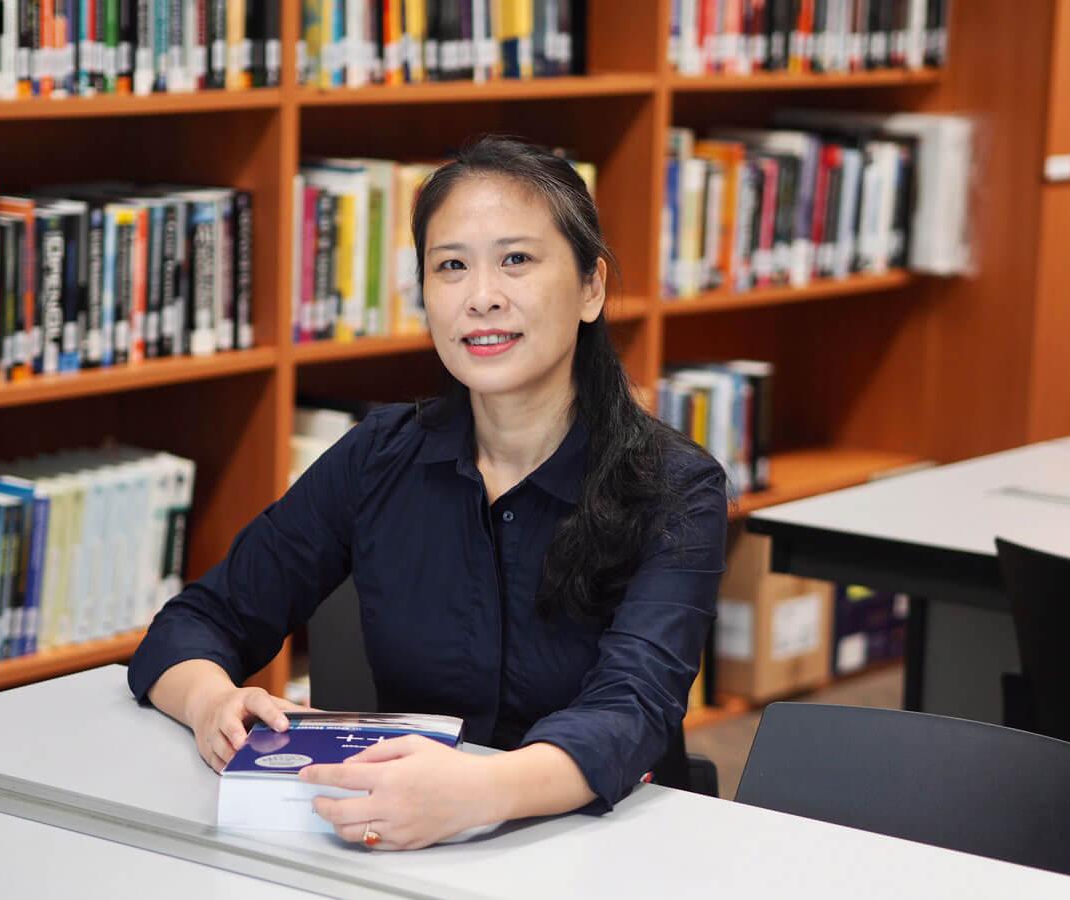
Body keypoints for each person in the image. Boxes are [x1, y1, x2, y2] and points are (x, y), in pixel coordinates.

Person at [128, 136, 727, 851]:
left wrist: (471, 794)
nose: (482, 297)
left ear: (591, 287)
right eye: (451, 267)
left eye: (517, 260)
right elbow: (198, 621)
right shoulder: (377, 455)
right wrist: (213, 702)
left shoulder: (675, 487)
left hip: (605, 846)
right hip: (404, 846)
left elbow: (632, 710)